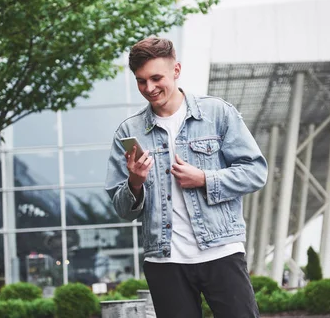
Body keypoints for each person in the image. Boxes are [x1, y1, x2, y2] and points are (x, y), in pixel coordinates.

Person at [105, 37, 268, 318]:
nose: (149, 88)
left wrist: (205, 178)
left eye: (156, 78)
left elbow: (255, 172)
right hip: (164, 260)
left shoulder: (217, 114)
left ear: (176, 70)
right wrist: (135, 181)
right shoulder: (128, 131)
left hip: (221, 252)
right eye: (141, 81)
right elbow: (121, 209)